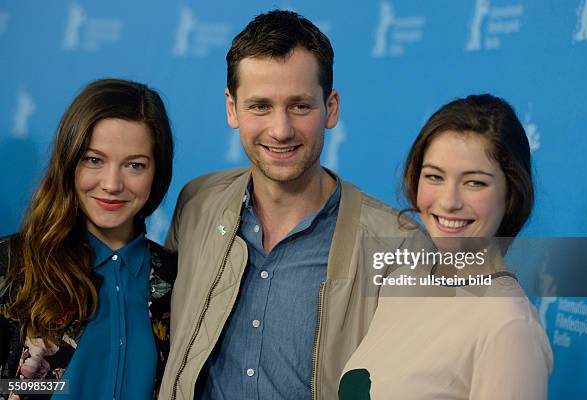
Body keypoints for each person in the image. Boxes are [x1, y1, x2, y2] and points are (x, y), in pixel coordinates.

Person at [158, 9, 428, 400]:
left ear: (330, 108)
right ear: (232, 108)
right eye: (260, 106)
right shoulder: (197, 204)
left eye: (300, 106)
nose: (281, 129)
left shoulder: (398, 246)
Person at [340, 94, 553, 399]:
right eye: (435, 177)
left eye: (475, 182)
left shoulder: (509, 325)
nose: (449, 202)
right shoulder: (401, 283)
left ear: (511, 194)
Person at [0, 78, 176, 399]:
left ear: (157, 172)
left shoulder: (175, 279)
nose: (111, 183)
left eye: (135, 165)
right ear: (69, 163)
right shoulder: (9, 265)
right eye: (94, 160)